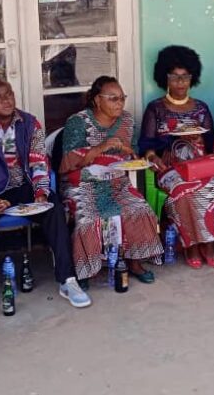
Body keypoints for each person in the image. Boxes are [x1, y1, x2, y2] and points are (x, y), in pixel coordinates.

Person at [0, 78, 91, 321]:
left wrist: (41, 192)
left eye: (8, 94)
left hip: (23, 187)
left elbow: (39, 162)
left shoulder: (29, 123)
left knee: (53, 209)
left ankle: (67, 280)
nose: (6, 100)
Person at [59, 76, 162, 284]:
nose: (120, 103)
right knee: (88, 219)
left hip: (116, 181)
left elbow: (132, 154)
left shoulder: (127, 121)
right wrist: (101, 147)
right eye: (113, 98)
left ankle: (134, 262)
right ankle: (87, 269)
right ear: (97, 100)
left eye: (122, 98)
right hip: (82, 182)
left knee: (139, 209)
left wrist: (133, 155)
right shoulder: (78, 122)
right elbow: (70, 162)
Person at [139, 46, 214, 269]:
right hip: (170, 168)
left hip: (200, 166)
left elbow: (212, 144)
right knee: (185, 191)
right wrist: (156, 153)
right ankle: (191, 246)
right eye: (174, 77)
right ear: (165, 78)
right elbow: (146, 145)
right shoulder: (156, 109)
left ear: (192, 78)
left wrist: (199, 137)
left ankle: (210, 245)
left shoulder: (201, 108)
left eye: (185, 77)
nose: (180, 82)